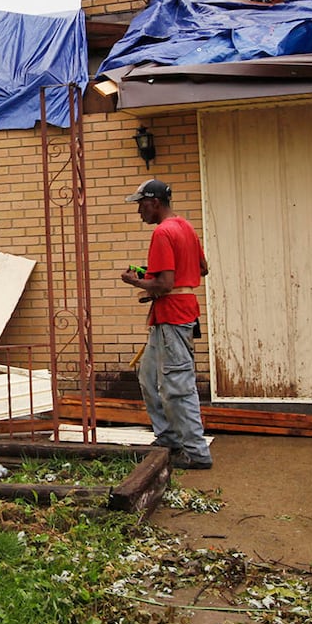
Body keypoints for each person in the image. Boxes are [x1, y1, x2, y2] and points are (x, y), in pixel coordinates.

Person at [121, 178, 212, 469]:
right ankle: (169, 437)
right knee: (148, 377)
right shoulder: (184, 227)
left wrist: (137, 280)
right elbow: (202, 269)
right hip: (175, 314)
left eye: (141, 205)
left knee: (177, 385)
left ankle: (197, 453)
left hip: (172, 316)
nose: (139, 212)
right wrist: (158, 273)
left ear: (155, 203)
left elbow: (164, 284)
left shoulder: (162, 233)